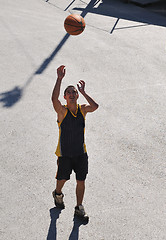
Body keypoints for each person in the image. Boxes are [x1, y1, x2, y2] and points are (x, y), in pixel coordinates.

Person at [51, 65, 98, 221]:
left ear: (77, 96)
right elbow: (53, 99)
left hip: (80, 154)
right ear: (65, 97)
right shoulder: (62, 111)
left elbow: (95, 106)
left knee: (81, 181)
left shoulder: (83, 109)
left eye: (74, 92)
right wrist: (59, 79)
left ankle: (79, 208)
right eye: (68, 92)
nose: (71, 94)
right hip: (65, 155)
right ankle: (58, 194)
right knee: (62, 179)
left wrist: (84, 92)